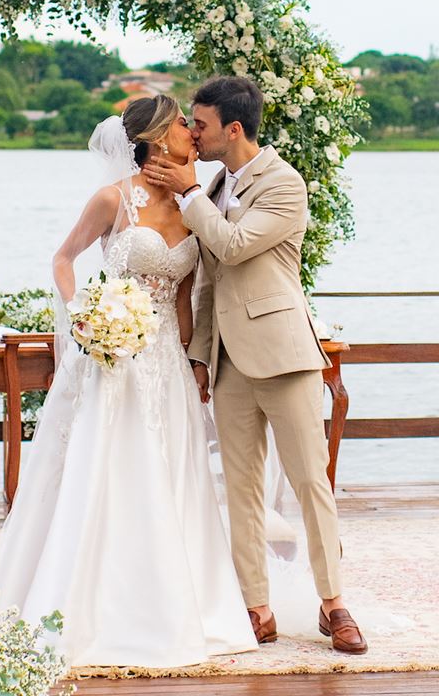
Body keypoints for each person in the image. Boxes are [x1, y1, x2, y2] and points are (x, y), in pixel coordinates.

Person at [0, 94, 258, 668]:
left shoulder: (193, 204)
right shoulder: (114, 198)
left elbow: (185, 293)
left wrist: (196, 362)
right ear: (160, 137)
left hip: (167, 360)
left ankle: (182, 600)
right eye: (184, 124)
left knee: (172, 469)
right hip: (114, 355)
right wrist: (85, 312)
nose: (193, 131)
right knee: (111, 467)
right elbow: (63, 259)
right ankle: (94, 605)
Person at [143, 76, 368, 655]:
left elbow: (237, 244)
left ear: (233, 129)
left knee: (309, 482)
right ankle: (256, 607)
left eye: (200, 124)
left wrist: (191, 196)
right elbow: (210, 283)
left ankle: (334, 604)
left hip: (285, 354)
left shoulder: (285, 184)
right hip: (227, 361)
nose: (191, 133)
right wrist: (199, 356)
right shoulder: (214, 184)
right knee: (239, 489)